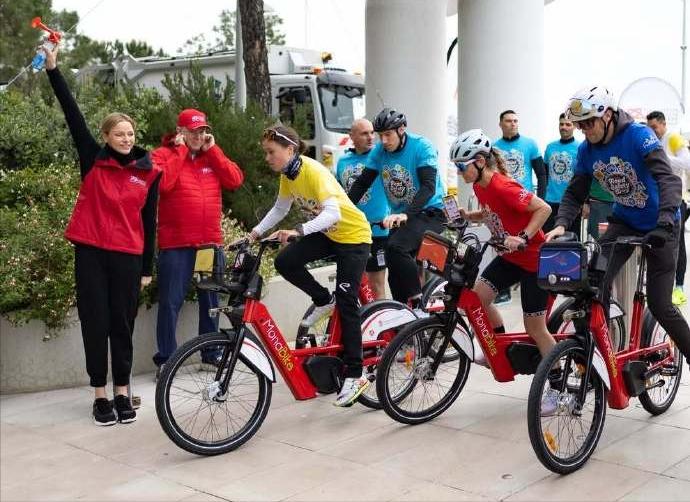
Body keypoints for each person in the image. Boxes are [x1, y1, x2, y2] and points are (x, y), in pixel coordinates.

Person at [44, 46, 161, 425]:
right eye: (119, 134)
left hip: (128, 257)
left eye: (130, 133)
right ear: (106, 136)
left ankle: (123, 392)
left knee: (122, 325)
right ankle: (99, 395)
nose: (126, 139)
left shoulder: (149, 173)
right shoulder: (92, 158)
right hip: (91, 254)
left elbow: (149, 222)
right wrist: (53, 69)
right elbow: (71, 112)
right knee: (95, 323)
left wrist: (147, 268)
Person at [546, 85, 690, 371]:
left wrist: (664, 222)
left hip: (661, 225)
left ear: (608, 115)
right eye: (580, 125)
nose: (585, 130)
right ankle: (590, 353)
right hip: (624, 221)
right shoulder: (586, 150)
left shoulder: (638, 135)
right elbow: (575, 192)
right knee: (590, 285)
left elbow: (669, 180)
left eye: (589, 123)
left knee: (660, 304)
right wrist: (561, 224)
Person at [248, 125, 372, 407]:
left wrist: (299, 231)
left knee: (348, 301)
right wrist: (254, 234)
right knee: (285, 261)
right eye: (266, 152)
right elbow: (280, 208)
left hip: (354, 238)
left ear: (290, 150)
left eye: (271, 152)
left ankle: (356, 374)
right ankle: (323, 299)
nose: (267, 158)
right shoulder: (288, 175)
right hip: (330, 236)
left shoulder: (313, 171)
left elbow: (333, 213)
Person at [450, 129, 559, 412]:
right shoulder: (479, 186)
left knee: (535, 327)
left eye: (461, 166)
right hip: (510, 258)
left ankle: (557, 386)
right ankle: (496, 347)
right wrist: (469, 216)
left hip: (534, 261)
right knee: (477, 298)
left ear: (480, 161)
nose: (459, 172)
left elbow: (544, 209)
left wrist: (523, 237)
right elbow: (492, 212)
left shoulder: (503, 186)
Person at [151, 110, 244, 376]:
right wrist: (180, 152)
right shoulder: (162, 155)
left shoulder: (210, 156)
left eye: (202, 131)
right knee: (170, 302)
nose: (199, 136)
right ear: (180, 131)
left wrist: (214, 151)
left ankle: (210, 354)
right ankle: (167, 359)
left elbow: (235, 180)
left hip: (209, 244)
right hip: (176, 244)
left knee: (211, 301)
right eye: (193, 131)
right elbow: (163, 185)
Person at [347, 108, 446, 308]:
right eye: (380, 135)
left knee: (396, 247)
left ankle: (419, 304)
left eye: (388, 135)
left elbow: (428, 187)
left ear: (401, 130)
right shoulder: (379, 152)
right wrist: (342, 208)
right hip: (401, 217)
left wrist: (405, 214)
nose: (383, 141)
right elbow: (362, 183)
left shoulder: (421, 146)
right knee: (394, 270)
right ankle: (402, 312)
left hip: (431, 212)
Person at [492, 110, 546, 305]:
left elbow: (541, 174)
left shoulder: (530, 144)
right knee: (503, 244)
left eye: (515, 121)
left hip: (526, 203)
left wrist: (541, 199)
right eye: (508, 121)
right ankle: (503, 290)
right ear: (500, 124)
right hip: (503, 205)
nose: (513, 124)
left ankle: (531, 284)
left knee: (528, 244)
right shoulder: (493, 147)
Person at [335, 118, 390, 299]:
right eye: (364, 133)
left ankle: (383, 316)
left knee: (376, 284)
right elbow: (339, 192)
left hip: (378, 231)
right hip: (353, 231)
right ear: (351, 136)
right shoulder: (343, 161)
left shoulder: (380, 157)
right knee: (357, 285)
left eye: (372, 132)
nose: (370, 137)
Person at [646, 110, 690, 305]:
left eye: (655, 127)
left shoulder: (673, 138)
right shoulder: (651, 142)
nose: (652, 131)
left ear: (663, 124)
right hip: (657, 201)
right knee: (658, 242)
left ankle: (679, 287)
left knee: (677, 244)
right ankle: (662, 286)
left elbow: (688, 162)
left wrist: (662, 158)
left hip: (676, 200)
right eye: (650, 128)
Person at [543, 114, 582, 236]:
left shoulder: (580, 147)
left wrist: (586, 203)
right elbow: (544, 173)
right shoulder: (550, 147)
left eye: (568, 124)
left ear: (574, 126)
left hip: (571, 204)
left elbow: (584, 177)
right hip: (550, 201)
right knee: (548, 239)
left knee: (571, 240)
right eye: (561, 124)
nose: (564, 127)